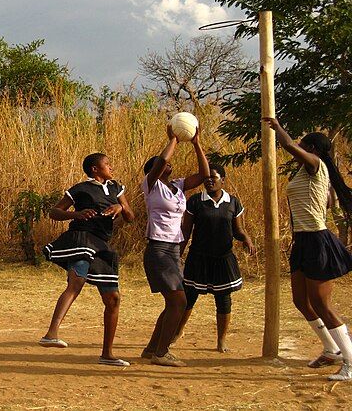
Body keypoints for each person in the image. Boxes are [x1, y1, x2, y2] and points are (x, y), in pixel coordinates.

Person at [263, 118, 352, 381]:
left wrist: (277, 126)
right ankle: (331, 349)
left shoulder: (316, 164)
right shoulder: (305, 172)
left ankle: (350, 361)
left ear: (312, 149)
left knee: (322, 305)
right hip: (302, 240)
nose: (298, 148)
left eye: (304, 145)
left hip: (317, 240)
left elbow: (289, 144)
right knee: (301, 301)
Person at [39, 153, 135, 367]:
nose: (111, 166)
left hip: (103, 245)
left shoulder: (116, 188)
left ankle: (107, 354)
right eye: (107, 164)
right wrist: (76, 214)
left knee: (113, 299)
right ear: (94, 169)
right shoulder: (80, 189)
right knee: (76, 282)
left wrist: (120, 208)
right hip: (82, 239)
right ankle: (51, 333)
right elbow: (54, 212)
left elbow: (130, 216)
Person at [140, 124, 209, 367]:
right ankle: (161, 353)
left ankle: (151, 350)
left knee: (174, 302)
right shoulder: (150, 185)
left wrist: (196, 142)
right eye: (164, 164)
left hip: (173, 249)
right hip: (158, 249)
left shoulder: (177, 186)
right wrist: (173, 140)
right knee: (179, 302)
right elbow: (160, 162)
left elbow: (204, 175)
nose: (170, 165)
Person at [176, 164, 255, 353]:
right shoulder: (195, 201)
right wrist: (177, 254)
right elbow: (186, 231)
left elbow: (238, 230)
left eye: (214, 177)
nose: (209, 180)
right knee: (189, 297)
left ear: (223, 180)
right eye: (207, 178)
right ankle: (177, 332)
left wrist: (247, 239)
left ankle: (221, 340)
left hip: (223, 258)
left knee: (223, 299)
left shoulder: (233, 202)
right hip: (198, 257)